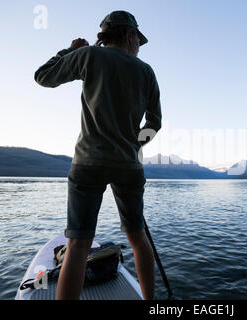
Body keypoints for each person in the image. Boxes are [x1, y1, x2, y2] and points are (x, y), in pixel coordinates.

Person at [34, 10, 162, 300]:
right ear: (130, 36)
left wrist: (70, 50)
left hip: (88, 163)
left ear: (106, 36)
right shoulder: (146, 71)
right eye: (138, 40)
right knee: (138, 237)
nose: (138, 46)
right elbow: (155, 123)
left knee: (79, 245)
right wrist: (135, 145)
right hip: (129, 166)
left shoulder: (89, 56)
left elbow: (43, 77)